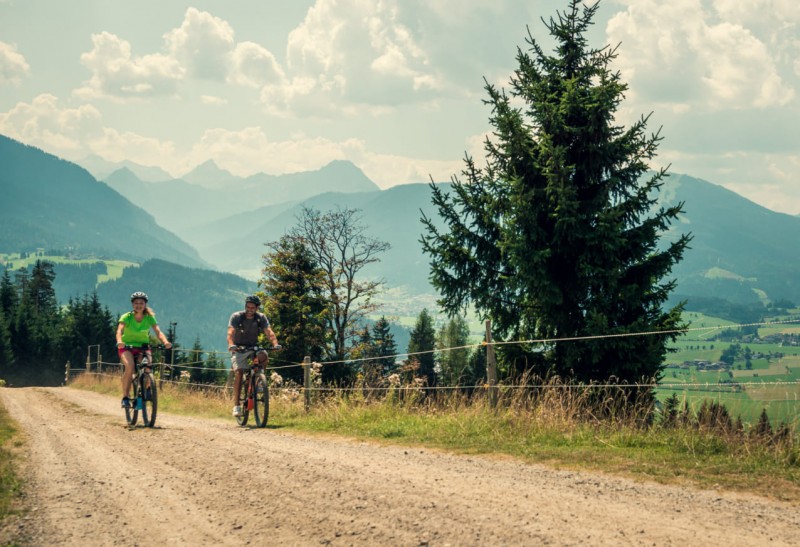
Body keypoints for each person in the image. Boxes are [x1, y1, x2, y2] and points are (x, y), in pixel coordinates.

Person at [116, 291, 172, 408]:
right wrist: (120, 341)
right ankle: (125, 397)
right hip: (126, 347)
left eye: (141, 303)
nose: (138, 305)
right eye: (136, 303)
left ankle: (146, 389)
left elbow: (158, 332)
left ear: (145, 304)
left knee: (148, 367)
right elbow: (119, 331)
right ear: (132, 304)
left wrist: (165, 342)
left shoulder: (149, 317)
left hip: (143, 347)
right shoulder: (127, 317)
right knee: (130, 367)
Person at [227, 295, 279, 417]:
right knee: (239, 372)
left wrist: (275, 344)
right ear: (245, 306)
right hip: (239, 348)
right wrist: (231, 344)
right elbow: (230, 333)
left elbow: (269, 332)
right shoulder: (237, 317)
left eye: (252, 307)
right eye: (247, 307)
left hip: (253, 348)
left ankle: (259, 381)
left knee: (263, 356)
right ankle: (237, 406)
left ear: (257, 308)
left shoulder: (260, 318)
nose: (249, 309)